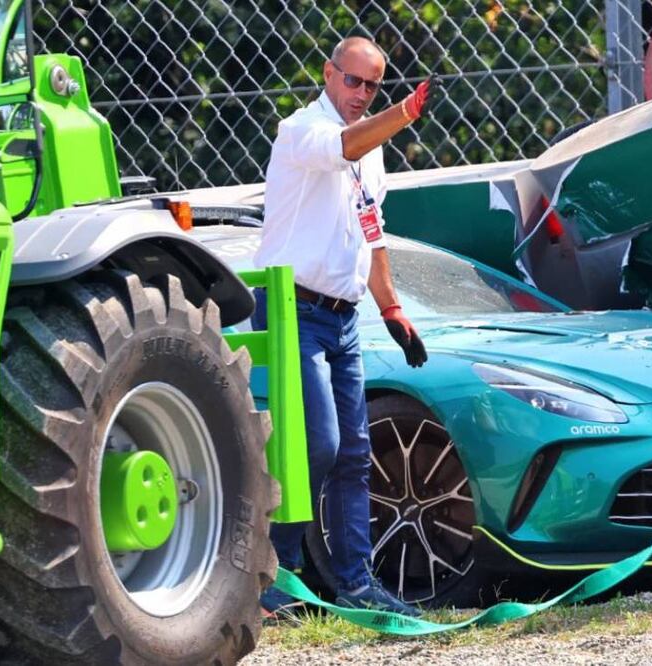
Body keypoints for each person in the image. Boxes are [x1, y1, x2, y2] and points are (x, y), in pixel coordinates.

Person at [253, 36, 433, 617]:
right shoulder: (303, 130)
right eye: (353, 81)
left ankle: (356, 582)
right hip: (290, 309)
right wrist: (400, 113)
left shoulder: (369, 147)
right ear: (329, 75)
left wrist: (392, 308)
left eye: (373, 86)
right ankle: (276, 576)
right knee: (317, 446)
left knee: (354, 452)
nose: (361, 94)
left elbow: (370, 229)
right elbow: (347, 145)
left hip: (342, 316)